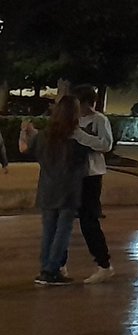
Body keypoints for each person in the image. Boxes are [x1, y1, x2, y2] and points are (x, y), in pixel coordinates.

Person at [19, 96, 88, 286]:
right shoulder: (76, 138)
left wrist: (24, 132)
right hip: (69, 189)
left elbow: (24, 148)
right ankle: (52, 270)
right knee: (62, 232)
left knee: (49, 230)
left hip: (47, 188)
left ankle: (45, 268)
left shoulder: (44, 136)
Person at [72, 84, 115, 283]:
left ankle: (103, 263)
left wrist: (81, 136)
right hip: (72, 174)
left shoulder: (99, 120)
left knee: (89, 221)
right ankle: (59, 264)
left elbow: (106, 144)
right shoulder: (72, 119)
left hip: (91, 174)